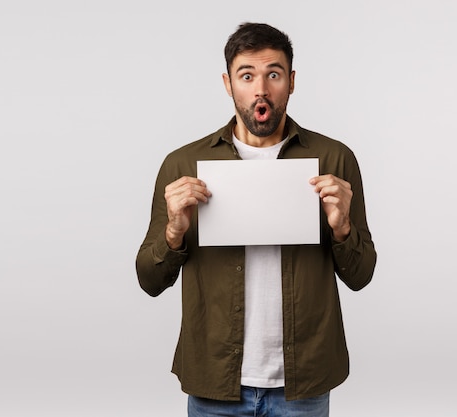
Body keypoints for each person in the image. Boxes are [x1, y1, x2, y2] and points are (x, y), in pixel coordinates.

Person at [136, 22, 376, 417]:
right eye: (247, 76)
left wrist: (342, 228)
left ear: (292, 81)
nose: (261, 89)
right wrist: (174, 233)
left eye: (273, 74)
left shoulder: (335, 160)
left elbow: (361, 275)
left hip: (303, 385)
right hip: (215, 380)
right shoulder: (183, 164)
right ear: (228, 84)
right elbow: (149, 280)